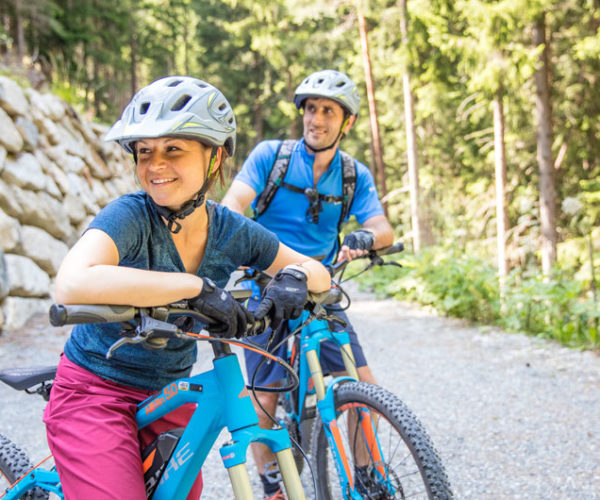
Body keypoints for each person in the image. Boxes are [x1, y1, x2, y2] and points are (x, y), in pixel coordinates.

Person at [43, 75, 331, 500]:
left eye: (173, 149)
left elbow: (316, 271)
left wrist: (294, 279)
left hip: (167, 395)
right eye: (144, 152)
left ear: (215, 157)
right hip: (95, 390)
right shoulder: (131, 216)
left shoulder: (231, 230)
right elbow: (70, 283)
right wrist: (192, 287)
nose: (155, 164)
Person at [221, 69, 394, 500]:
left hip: (319, 291)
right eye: (311, 109)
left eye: (328, 111)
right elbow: (234, 202)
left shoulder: (353, 174)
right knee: (263, 400)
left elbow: (382, 228)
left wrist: (365, 237)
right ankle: (272, 486)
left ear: (346, 122)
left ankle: (368, 479)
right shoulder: (270, 156)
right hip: (265, 288)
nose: (316, 119)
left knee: (363, 387)